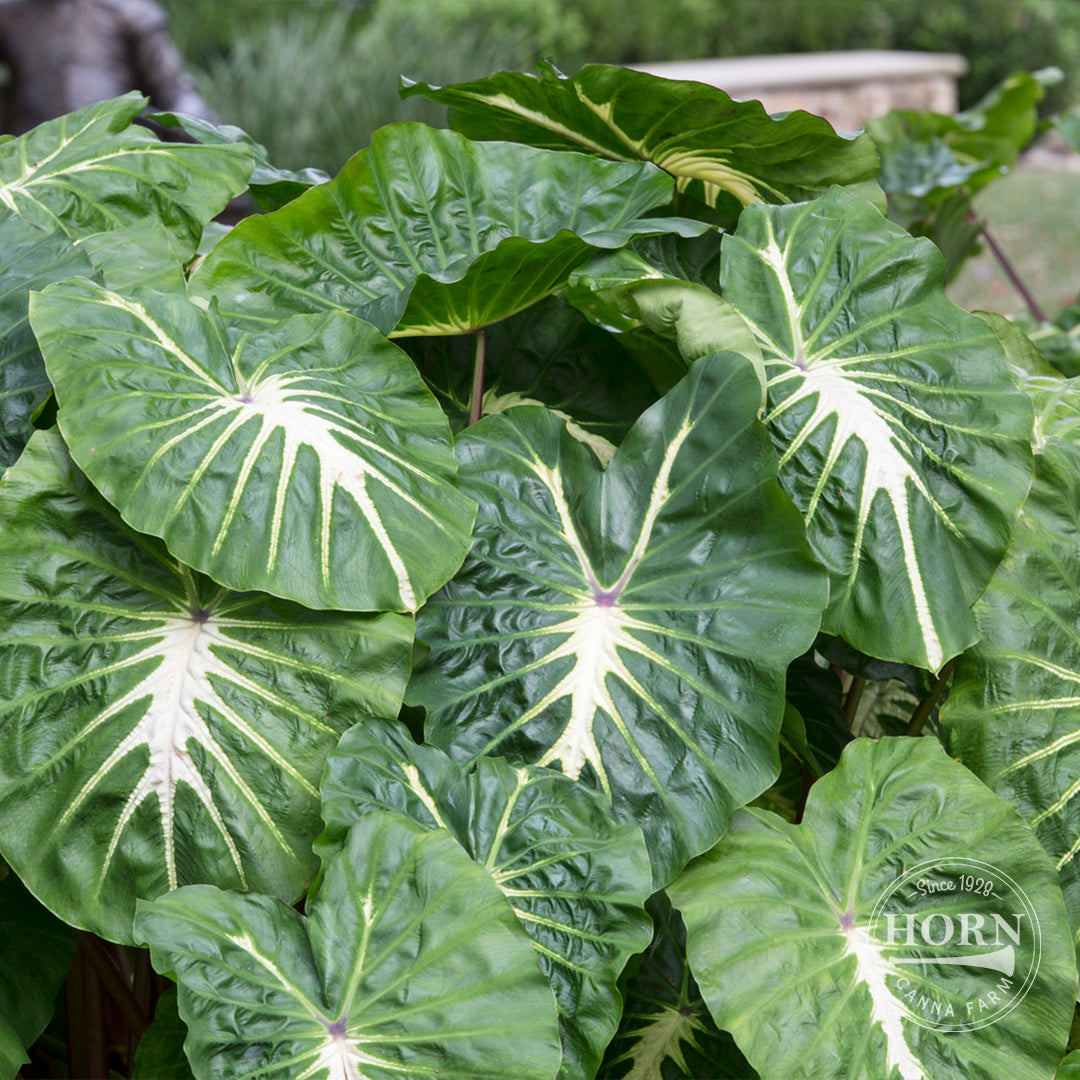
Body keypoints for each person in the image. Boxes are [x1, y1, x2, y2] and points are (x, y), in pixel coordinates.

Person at [0, 0, 215, 135]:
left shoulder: (127, 9)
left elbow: (175, 89)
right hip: (31, 155)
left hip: (117, 153)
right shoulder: (9, 15)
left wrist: (201, 132)